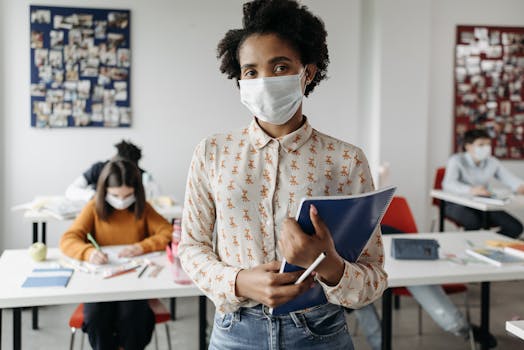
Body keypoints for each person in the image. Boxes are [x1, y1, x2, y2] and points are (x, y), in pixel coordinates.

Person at [178, 1, 387, 349]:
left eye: (280, 66)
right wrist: (240, 281)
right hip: (235, 331)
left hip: (320, 331)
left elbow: (373, 276)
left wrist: (329, 265)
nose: (265, 80)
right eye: (251, 71)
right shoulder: (212, 153)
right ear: (239, 80)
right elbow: (191, 248)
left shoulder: (346, 160)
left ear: (307, 72)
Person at [60, 159, 173, 350]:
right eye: (115, 195)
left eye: (128, 195)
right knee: (97, 318)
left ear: (137, 191)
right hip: (100, 284)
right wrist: (88, 252)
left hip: (134, 282)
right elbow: (68, 239)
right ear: (104, 191)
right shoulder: (93, 208)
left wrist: (141, 246)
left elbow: (168, 232)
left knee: (132, 318)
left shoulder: (143, 208)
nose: (121, 201)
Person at [349, 224, 497, 350]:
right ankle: (380, 346)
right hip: (355, 272)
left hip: (402, 260)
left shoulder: (371, 222)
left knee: (451, 322)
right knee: (355, 293)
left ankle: (465, 329)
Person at [442, 129, 524, 238]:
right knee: (474, 222)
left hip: (482, 203)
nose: (486, 148)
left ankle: (487, 245)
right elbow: (448, 184)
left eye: (488, 144)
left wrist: (520, 186)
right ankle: (472, 247)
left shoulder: (492, 162)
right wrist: (470, 190)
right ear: (468, 146)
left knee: (515, 227)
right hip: (456, 203)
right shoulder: (456, 160)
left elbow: (510, 179)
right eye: (481, 144)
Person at [65, 140, 160, 202]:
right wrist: (94, 196)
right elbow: (71, 191)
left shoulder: (142, 175)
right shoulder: (98, 168)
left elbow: (155, 197)